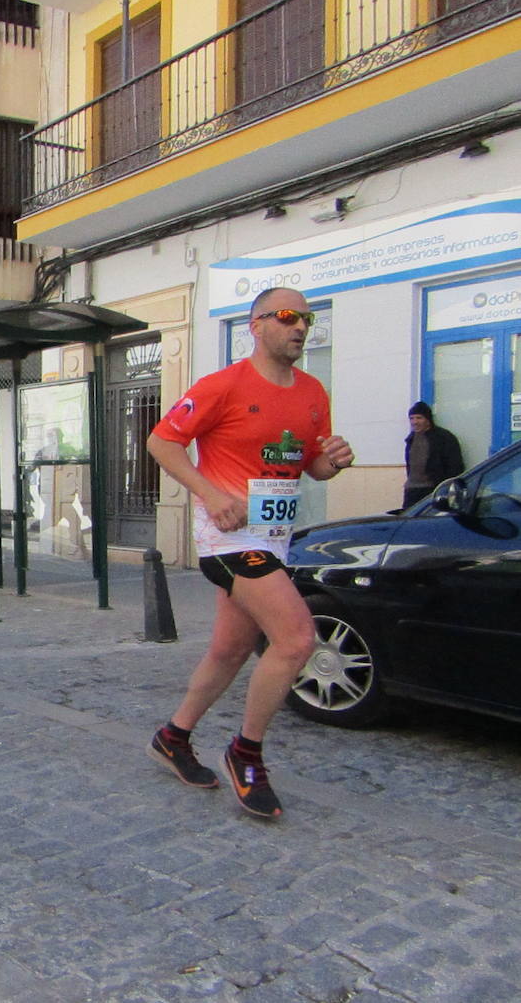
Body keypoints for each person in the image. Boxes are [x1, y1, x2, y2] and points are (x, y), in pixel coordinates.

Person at [145, 288, 355, 820]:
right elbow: (162, 443)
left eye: (306, 318)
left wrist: (336, 460)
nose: (300, 327)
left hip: (273, 538)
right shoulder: (223, 385)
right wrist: (213, 495)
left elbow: (312, 467)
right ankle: (246, 753)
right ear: (255, 325)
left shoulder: (312, 392)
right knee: (297, 637)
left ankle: (174, 737)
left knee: (229, 650)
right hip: (228, 537)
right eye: (288, 317)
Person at [402, 400, 465, 508]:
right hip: (411, 491)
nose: (414, 422)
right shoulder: (411, 439)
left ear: (428, 419)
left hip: (434, 491)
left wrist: (445, 489)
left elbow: (455, 466)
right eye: (411, 418)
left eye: (419, 418)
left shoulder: (444, 438)